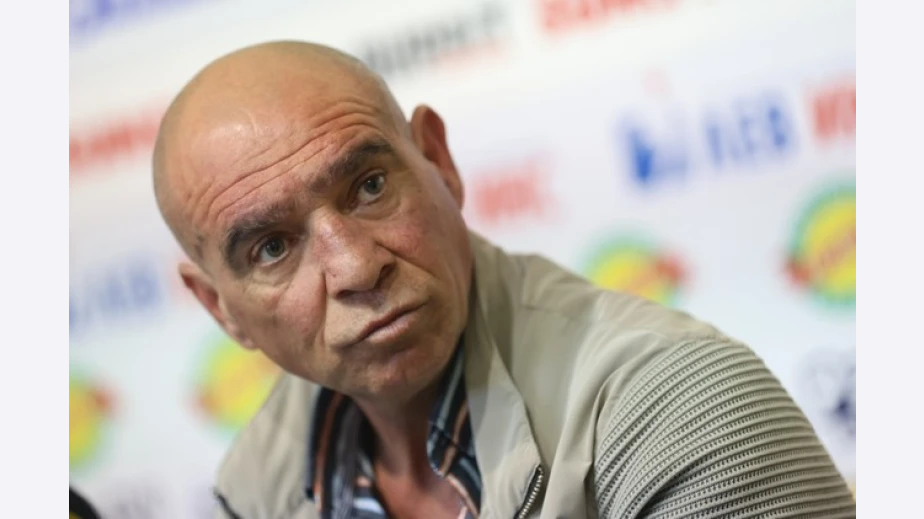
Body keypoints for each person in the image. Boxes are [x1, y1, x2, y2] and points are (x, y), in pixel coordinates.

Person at [152, 41, 856, 519]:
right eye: (273, 247)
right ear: (221, 310)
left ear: (439, 161)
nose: (357, 267)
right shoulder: (257, 484)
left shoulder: (681, 408)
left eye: (369, 186)